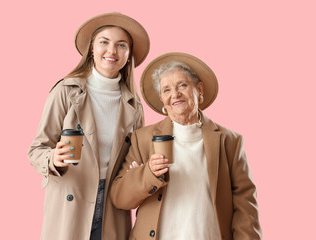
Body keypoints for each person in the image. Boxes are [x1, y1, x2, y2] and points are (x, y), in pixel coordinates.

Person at [110, 52, 262, 240]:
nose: (175, 94)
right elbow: (119, 198)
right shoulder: (143, 139)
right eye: (166, 90)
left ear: (199, 89)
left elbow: (245, 206)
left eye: (182, 85)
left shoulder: (229, 141)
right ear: (162, 100)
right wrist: (148, 173)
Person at [28, 12, 150, 240]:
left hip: (113, 205)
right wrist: (53, 158)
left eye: (121, 45)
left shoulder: (134, 104)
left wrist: (137, 171)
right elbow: (37, 149)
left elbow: (135, 157)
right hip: (70, 200)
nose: (112, 51)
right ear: (92, 48)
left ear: (129, 55)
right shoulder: (65, 91)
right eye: (104, 42)